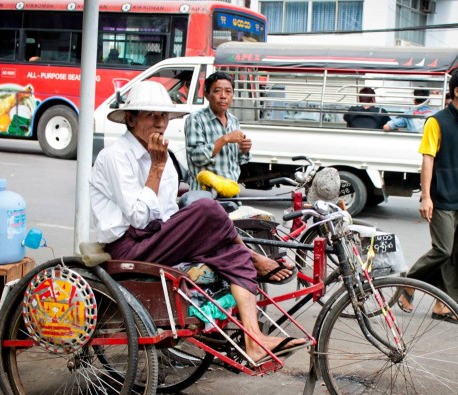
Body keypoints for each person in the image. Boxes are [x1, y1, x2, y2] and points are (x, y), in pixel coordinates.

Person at [89, 81, 304, 363]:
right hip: (128, 247)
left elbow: (165, 214)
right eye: (151, 115)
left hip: (155, 238)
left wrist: (192, 233)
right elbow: (139, 218)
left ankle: (254, 339)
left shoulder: (164, 157)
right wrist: (156, 167)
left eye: (163, 116)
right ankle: (253, 256)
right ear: (130, 119)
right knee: (207, 207)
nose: (160, 122)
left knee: (228, 249)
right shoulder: (115, 157)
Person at [398, 68, 458, 322]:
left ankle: (441, 305)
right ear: (457, 91)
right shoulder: (436, 121)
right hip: (443, 197)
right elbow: (428, 159)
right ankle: (408, 283)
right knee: (443, 250)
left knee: (457, 254)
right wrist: (426, 196)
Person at [184, 71, 252, 190]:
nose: (223, 96)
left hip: (230, 192)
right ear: (206, 94)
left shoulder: (233, 121)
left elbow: (239, 160)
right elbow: (197, 157)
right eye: (217, 91)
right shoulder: (196, 119)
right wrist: (225, 139)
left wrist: (243, 150)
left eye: (228, 91)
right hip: (206, 194)